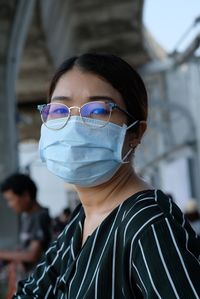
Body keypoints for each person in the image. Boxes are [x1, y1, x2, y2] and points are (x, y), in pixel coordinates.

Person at [14, 53, 200, 298]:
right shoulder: (82, 220)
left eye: (98, 110)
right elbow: (32, 292)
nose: (73, 124)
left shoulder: (148, 224)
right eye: (59, 110)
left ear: (135, 133)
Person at [0, 173, 51, 294]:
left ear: (26, 195)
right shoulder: (26, 216)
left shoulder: (40, 217)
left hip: (37, 285)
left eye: (11, 199)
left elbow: (32, 255)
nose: (10, 205)